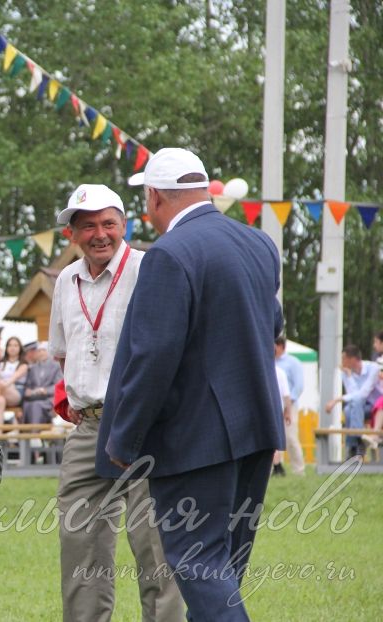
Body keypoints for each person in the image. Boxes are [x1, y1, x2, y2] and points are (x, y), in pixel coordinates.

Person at [96, 148, 284, 621]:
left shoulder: (168, 254)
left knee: (199, 563)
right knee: (223, 566)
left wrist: (125, 437)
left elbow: (153, 355)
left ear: (155, 196)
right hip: (258, 428)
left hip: (196, 437)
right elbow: (273, 327)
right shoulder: (259, 243)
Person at [49, 183, 183, 622]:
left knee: (155, 544)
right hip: (88, 428)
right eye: (87, 225)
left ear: (125, 224)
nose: (100, 233)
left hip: (146, 424)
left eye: (108, 223)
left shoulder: (150, 269)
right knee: (79, 544)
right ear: (71, 233)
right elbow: (64, 351)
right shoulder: (66, 280)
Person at [324, 345, 380, 459]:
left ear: (353, 359)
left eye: (343, 358)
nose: (341, 362)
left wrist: (336, 400)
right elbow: (354, 396)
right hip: (359, 408)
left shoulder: (373, 368)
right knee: (349, 410)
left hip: (376, 407)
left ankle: (353, 447)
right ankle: (358, 443)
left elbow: (363, 394)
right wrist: (349, 376)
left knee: (350, 409)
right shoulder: (346, 372)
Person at [274, 337, 306, 475]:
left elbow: (298, 386)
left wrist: (287, 406)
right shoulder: (269, 361)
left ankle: (299, 470)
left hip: (289, 405)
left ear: (280, 346)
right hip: (273, 406)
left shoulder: (293, 363)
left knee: (291, 438)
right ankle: (276, 467)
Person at [20, 342, 63, 425]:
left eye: (43, 350)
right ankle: (28, 434)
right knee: (27, 405)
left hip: (49, 398)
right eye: (39, 351)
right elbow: (28, 385)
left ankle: (35, 434)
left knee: (36, 405)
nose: (41, 353)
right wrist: (28, 391)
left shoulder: (56, 366)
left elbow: (59, 384)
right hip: (34, 397)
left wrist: (46, 390)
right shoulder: (33, 368)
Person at [271, 364, 293, 476]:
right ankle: (277, 466)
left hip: (269, 410)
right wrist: (288, 411)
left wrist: (288, 411)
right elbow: (286, 395)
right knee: (275, 440)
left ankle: (277, 466)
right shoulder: (280, 372)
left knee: (272, 441)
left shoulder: (276, 372)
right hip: (276, 410)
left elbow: (286, 395)